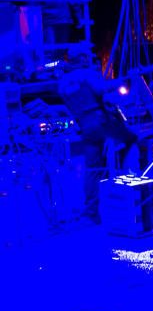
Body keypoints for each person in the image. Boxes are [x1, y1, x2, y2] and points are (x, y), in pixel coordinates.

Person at [58, 68, 137, 224]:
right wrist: (123, 81)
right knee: (132, 139)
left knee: (93, 169)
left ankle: (91, 212)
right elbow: (101, 89)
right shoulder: (84, 74)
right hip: (101, 121)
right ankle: (129, 181)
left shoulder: (63, 84)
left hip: (85, 126)